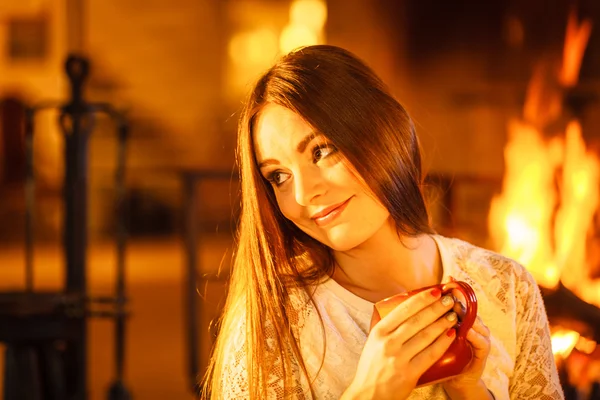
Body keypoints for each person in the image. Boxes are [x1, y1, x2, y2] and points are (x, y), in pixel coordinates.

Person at [200, 45, 564, 399]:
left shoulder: (508, 286)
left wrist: (469, 389)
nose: (302, 195)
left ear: (384, 134)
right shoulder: (270, 319)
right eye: (278, 176)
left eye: (321, 151)